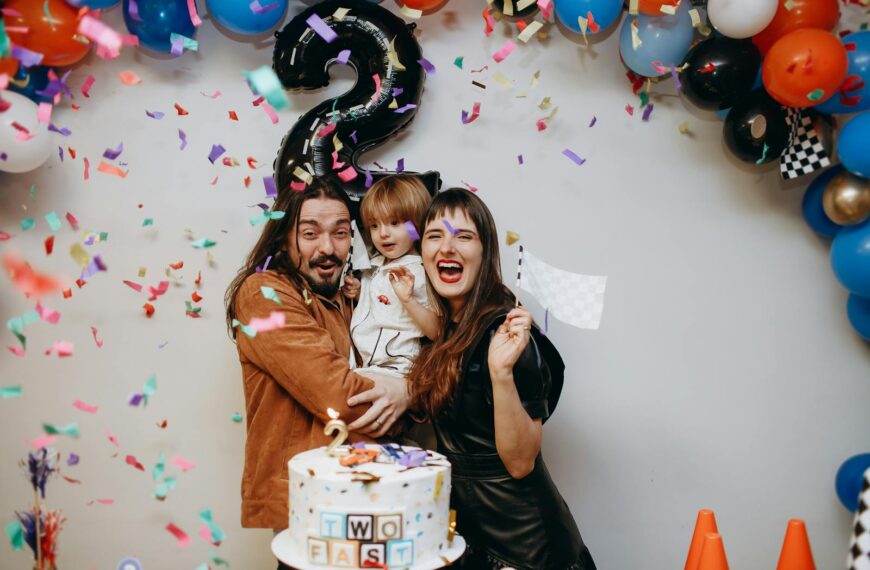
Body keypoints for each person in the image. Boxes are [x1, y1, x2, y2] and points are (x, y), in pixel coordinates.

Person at [224, 179, 410, 569]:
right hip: (309, 505)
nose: (328, 248)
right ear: (283, 237)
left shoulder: (349, 299)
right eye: (310, 233)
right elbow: (342, 398)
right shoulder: (263, 295)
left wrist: (408, 389)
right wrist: (408, 389)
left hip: (368, 498)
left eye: (341, 233)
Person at [409, 188, 596, 570]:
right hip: (472, 536)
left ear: (485, 252)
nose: (447, 248)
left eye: (463, 236)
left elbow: (521, 462)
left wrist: (500, 373)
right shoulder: (452, 326)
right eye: (434, 236)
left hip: (525, 549)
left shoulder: (506, 331)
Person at [344, 175, 439, 378]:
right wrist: (360, 292)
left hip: (398, 368)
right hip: (364, 364)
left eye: (394, 223)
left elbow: (436, 330)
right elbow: (383, 304)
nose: (383, 233)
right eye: (374, 226)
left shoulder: (419, 272)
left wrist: (409, 300)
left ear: (417, 226)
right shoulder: (374, 265)